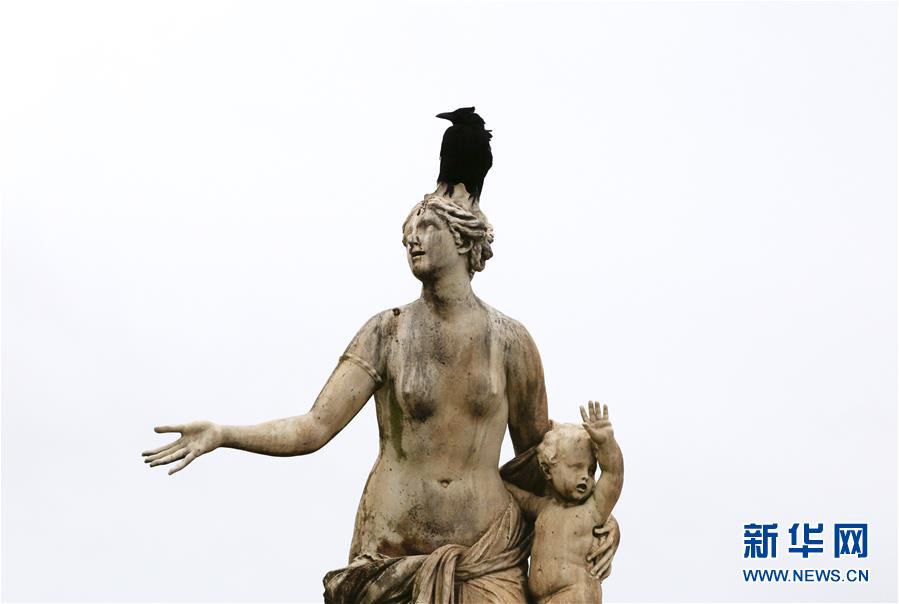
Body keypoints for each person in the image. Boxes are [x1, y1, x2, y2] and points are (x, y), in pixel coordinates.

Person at [142, 186, 620, 603]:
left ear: (462, 239)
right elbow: (313, 427)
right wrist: (224, 433)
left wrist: (594, 518)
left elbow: (543, 462)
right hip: (390, 551)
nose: (411, 237)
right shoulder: (386, 332)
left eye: (426, 226)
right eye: (408, 230)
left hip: (486, 559)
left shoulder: (511, 341)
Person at [504, 402, 624, 604]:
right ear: (548, 469)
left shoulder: (592, 510)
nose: (586, 476)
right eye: (576, 467)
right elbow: (516, 495)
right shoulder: (543, 508)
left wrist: (607, 443)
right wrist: (488, 475)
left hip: (575, 594)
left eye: (591, 470)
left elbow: (613, 475)